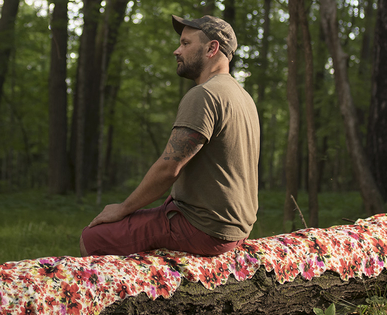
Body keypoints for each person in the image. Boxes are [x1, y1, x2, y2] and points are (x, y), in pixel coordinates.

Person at [80, 14, 260, 257]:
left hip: (204, 229)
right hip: (236, 227)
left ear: (211, 48)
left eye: (186, 43)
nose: (177, 51)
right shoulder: (243, 96)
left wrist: (122, 208)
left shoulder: (205, 95)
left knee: (93, 238)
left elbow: (168, 169)